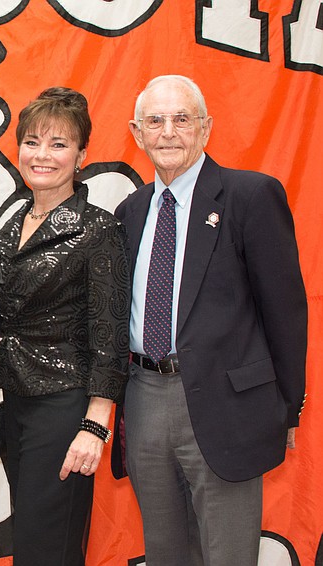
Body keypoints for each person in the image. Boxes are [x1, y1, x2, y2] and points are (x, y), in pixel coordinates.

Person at [112, 75, 307, 566]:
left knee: (227, 555)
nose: (169, 131)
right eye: (155, 121)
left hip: (228, 406)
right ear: (137, 133)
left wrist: (286, 406)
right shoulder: (129, 212)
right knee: (166, 553)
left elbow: (285, 310)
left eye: (182, 118)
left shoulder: (250, 196)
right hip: (143, 399)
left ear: (206, 128)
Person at [0, 87, 130, 565]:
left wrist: (95, 423)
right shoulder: (13, 224)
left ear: (81, 155)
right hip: (15, 405)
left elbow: (110, 335)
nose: (41, 154)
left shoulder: (99, 229)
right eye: (31, 141)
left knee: (46, 548)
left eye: (58, 144)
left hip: (64, 409)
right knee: (33, 543)